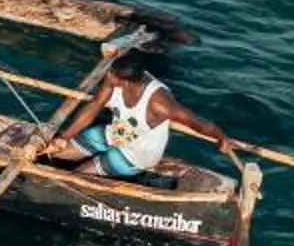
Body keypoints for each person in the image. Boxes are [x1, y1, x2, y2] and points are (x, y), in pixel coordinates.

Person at [50, 49, 231, 178]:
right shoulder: (115, 77)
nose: (108, 77)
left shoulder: (161, 104)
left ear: (126, 82)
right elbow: (95, 105)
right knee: (54, 150)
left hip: (139, 153)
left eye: (112, 76)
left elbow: (199, 123)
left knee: (77, 176)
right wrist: (64, 137)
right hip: (118, 132)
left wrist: (221, 138)